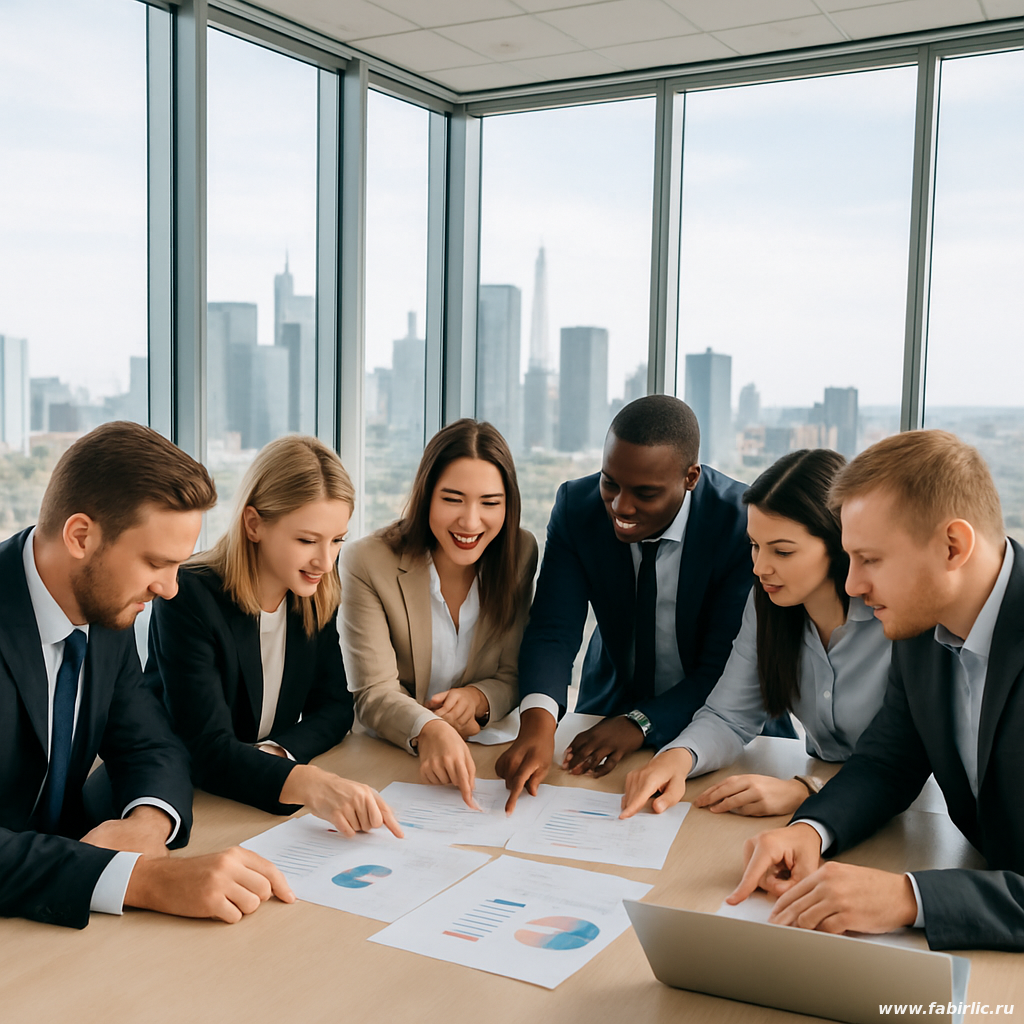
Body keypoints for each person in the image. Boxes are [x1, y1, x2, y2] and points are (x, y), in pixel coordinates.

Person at [729, 430, 1024, 951]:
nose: (852, 585)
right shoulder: (922, 628)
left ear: (952, 546)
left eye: (871, 560)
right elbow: (888, 761)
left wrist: (910, 898)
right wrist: (810, 831)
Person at [0, 421, 293, 928]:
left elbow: (152, 744)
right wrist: (144, 880)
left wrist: (148, 822)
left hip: (54, 927)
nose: (171, 589)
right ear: (80, 536)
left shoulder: (104, 610)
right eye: (156, 562)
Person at [497, 395, 760, 813]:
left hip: (721, 720)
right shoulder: (577, 506)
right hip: (611, 704)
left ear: (690, 477)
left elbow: (724, 668)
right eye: (610, 483)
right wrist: (537, 724)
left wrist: (640, 723)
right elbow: (553, 628)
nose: (621, 506)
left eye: (645, 493)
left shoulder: (741, 524)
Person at [148, 435, 400, 839]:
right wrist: (308, 783)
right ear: (254, 524)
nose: (325, 560)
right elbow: (207, 748)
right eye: (307, 540)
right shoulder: (189, 596)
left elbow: (335, 707)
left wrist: (276, 754)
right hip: (183, 800)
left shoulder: (314, 592)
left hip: (248, 798)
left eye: (337, 540)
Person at [620, 448, 891, 820]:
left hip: (900, 813)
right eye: (754, 546)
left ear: (838, 542)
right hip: (831, 807)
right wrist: (676, 758)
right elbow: (729, 716)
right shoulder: (767, 606)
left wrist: (805, 791)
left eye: (782, 551)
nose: (761, 568)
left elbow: (906, 762)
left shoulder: (892, 619)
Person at [341, 419, 537, 808]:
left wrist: (479, 700)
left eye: (490, 503)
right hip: (392, 757)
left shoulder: (519, 553)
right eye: (452, 498)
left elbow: (514, 673)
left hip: (486, 752)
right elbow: (372, 690)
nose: (470, 521)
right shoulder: (368, 560)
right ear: (426, 495)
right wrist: (428, 727)